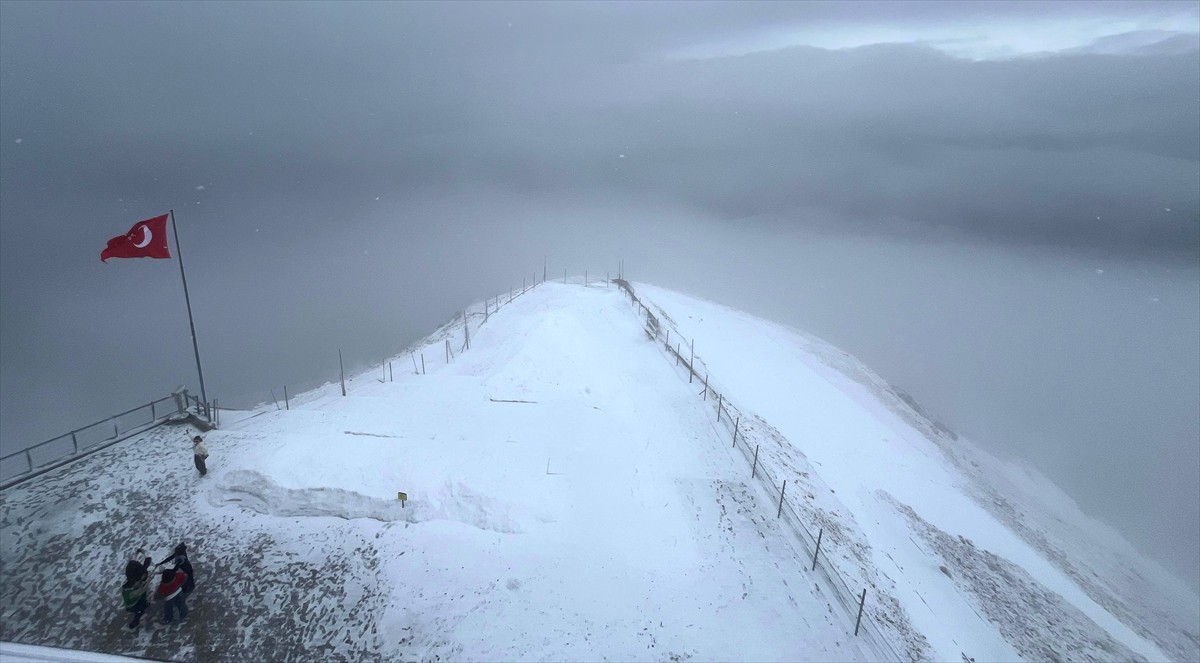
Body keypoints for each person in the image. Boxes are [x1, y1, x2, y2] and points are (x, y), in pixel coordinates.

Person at [120, 558, 152, 630]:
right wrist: (148, 580)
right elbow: (143, 590)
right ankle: (136, 621)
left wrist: (145, 565)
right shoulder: (131, 593)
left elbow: (139, 575)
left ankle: (144, 604)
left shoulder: (130, 579)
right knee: (140, 611)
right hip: (133, 604)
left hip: (136, 598)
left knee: (143, 598)